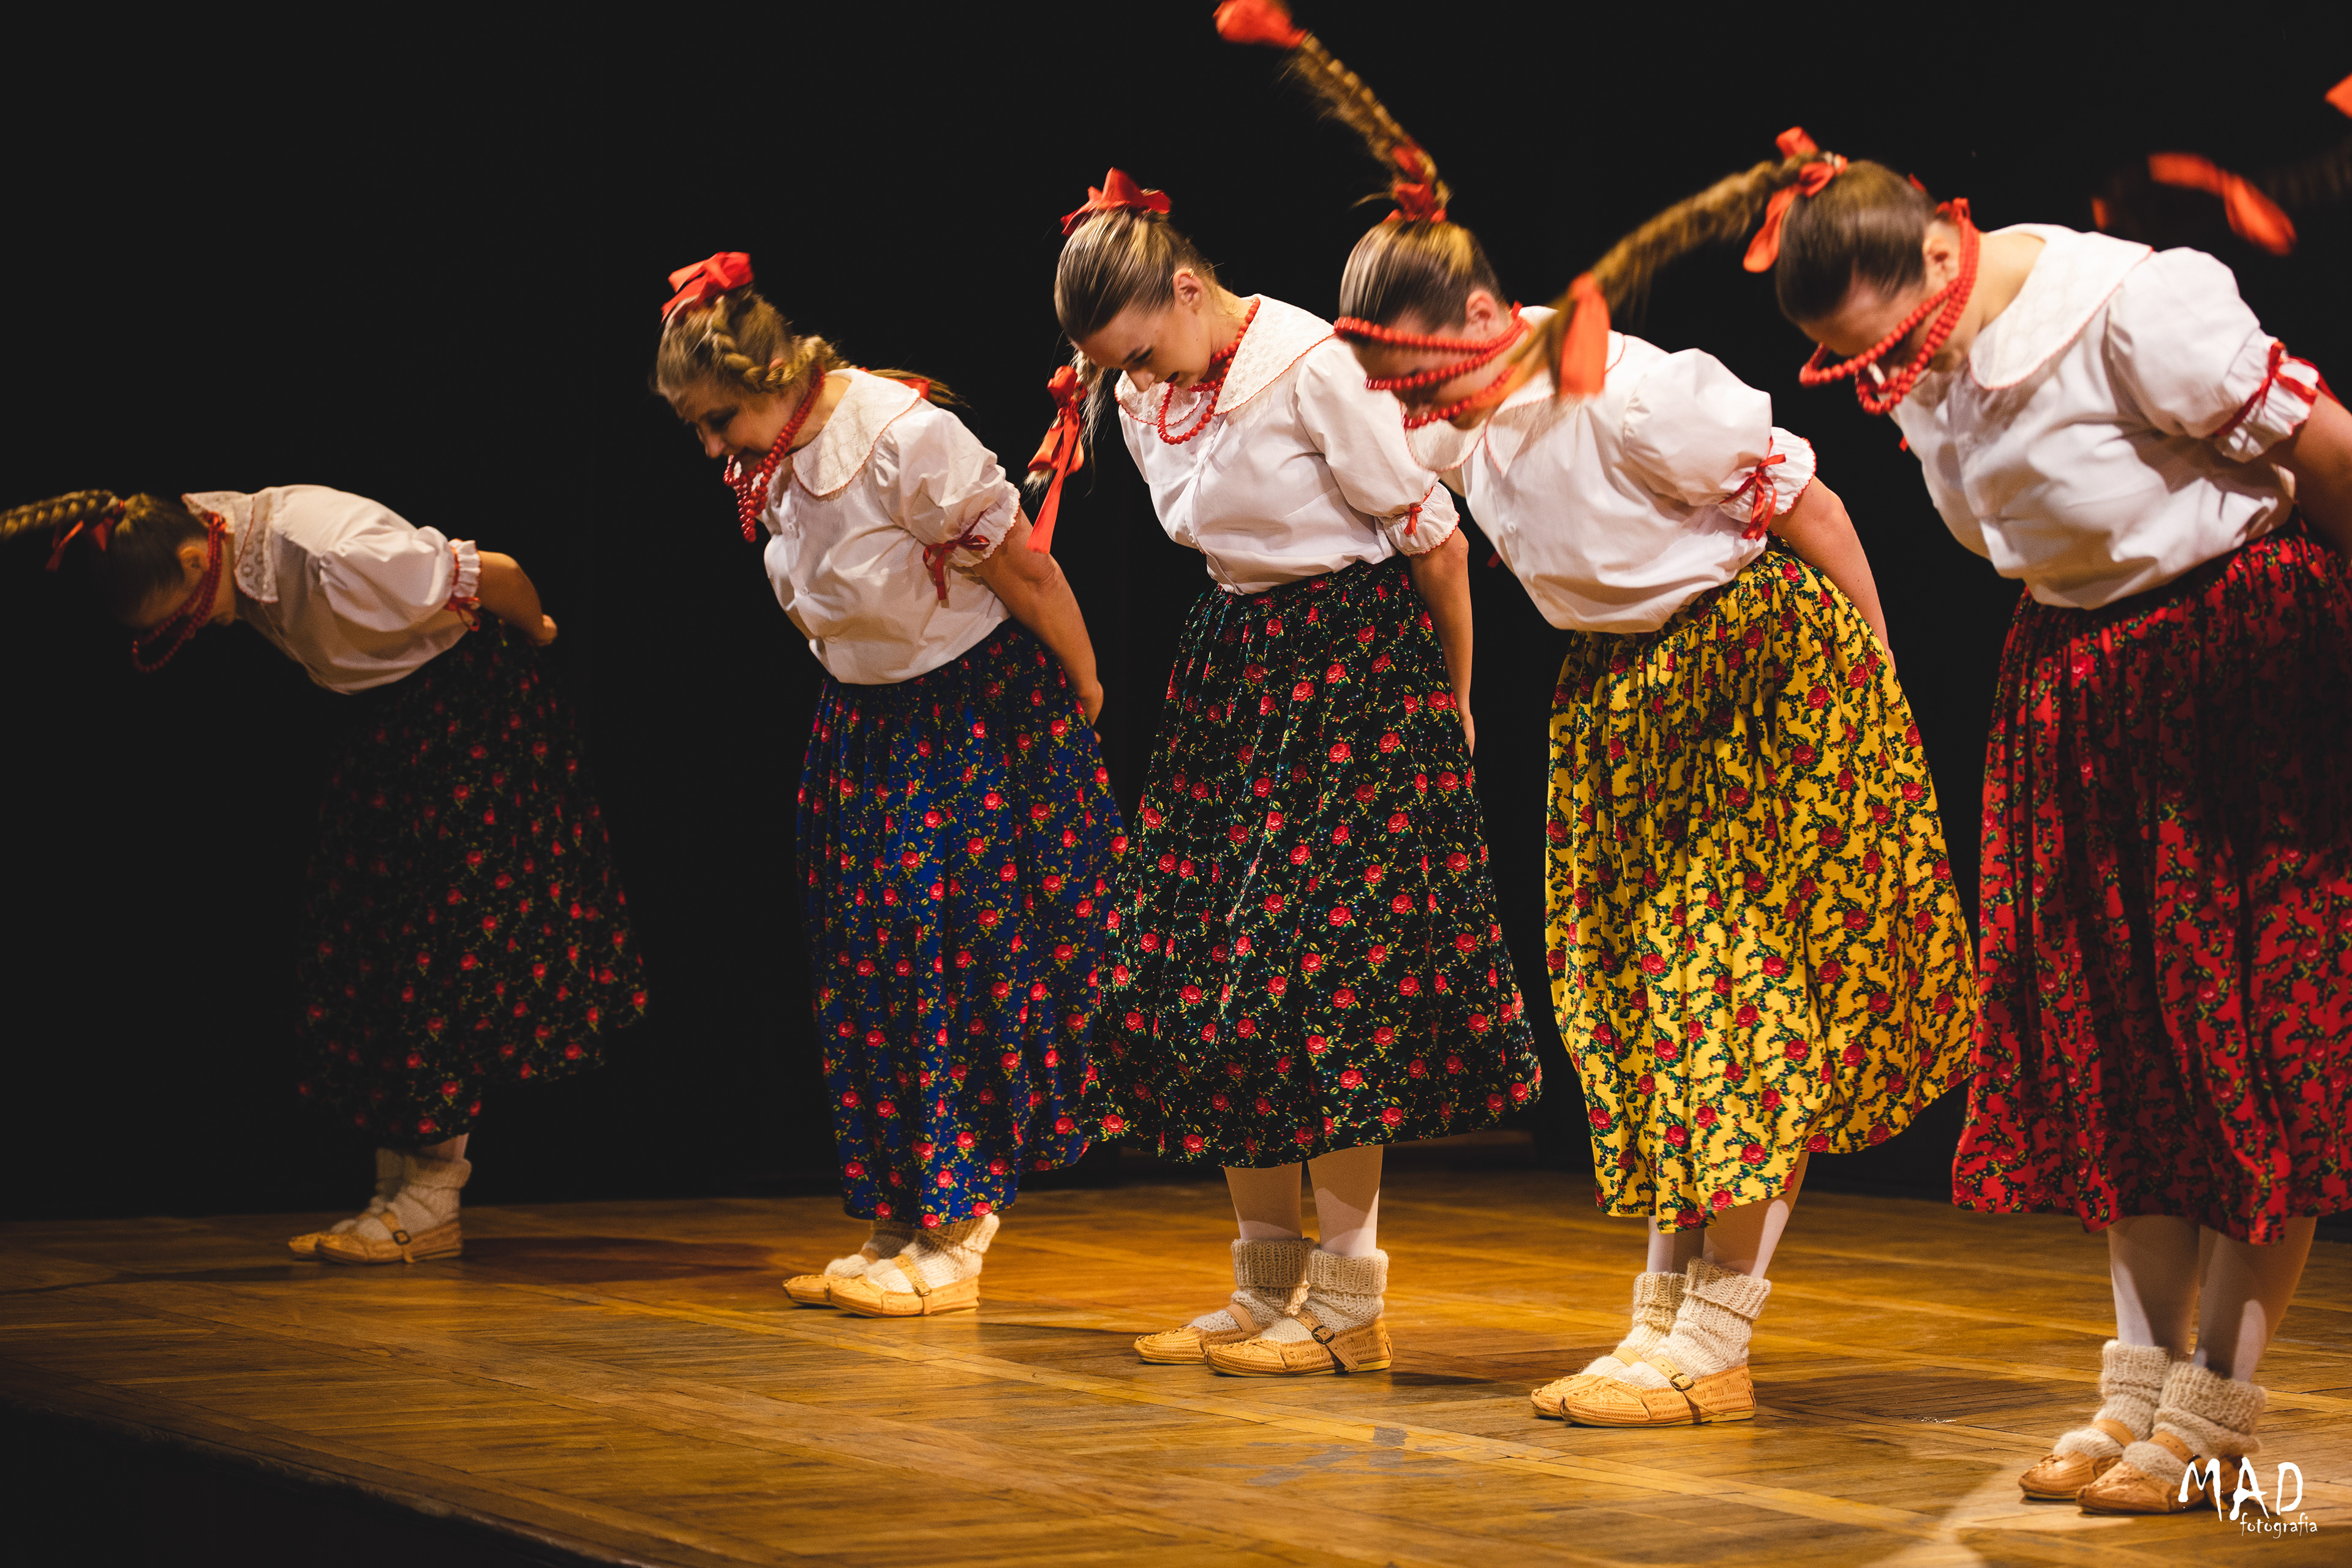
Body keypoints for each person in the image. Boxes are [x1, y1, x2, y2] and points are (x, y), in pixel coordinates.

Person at [1218, 0, 1976, 1425]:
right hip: (1619, 704)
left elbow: (1809, 506)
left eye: (1413, 381)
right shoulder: (1454, 415)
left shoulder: (1633, 394)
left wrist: (1875, 683)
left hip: (1753, 677)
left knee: (1737, 996)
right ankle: (1661, 1316)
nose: (1403, 411)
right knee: (1638, 1003)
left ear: (1482, 323)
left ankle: (1717, 1334)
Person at [1713, 127, 2348, 1512]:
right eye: (1859, 362)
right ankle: (2135, 1384)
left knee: (2239, 1044)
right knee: (2117, 1047)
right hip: (2074, 681)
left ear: (1947, 241)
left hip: (2227, 672)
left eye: (1897, 343)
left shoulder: (2131, 306)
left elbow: (2329, 452)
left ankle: (2216, 1413)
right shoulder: (1927, 355)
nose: (1892, 376)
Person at [1044, 167, 1542, 1378]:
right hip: (1233, 660)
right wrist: (1134, 383)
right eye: (1115, 365)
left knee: (1328, 984)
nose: (1133, 379)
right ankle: (1262, 1283)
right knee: (1216, 975)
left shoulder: (1310, 362)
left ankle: (1349, 1299)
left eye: (1139, 351)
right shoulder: (1140, 394)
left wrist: (1454, 702)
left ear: (1187, 288)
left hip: (1347, 662)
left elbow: (1436, 542)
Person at [4, 484, 646, 1264]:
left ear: (195, 559)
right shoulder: (210, 536)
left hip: (464, 716)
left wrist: (538, 635)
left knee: (435, 958)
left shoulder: (332, 555)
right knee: (370, 953)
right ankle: (395, 1189)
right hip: (392, 723)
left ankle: (432, 1198)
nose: (188, 632)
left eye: (179, 617)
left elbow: (502, 575)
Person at [652, 253, 1123, 1318]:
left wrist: (1084, 683)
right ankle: (899, 1215)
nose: (712, 447)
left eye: (718, 419)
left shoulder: (903, 437)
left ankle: (959, 1227)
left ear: (771, 377)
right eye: (698, 427)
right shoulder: (772, 457)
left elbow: (1026, 568)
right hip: (866, 724)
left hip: (964, 713)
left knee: (947, 962)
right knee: (865, 967)